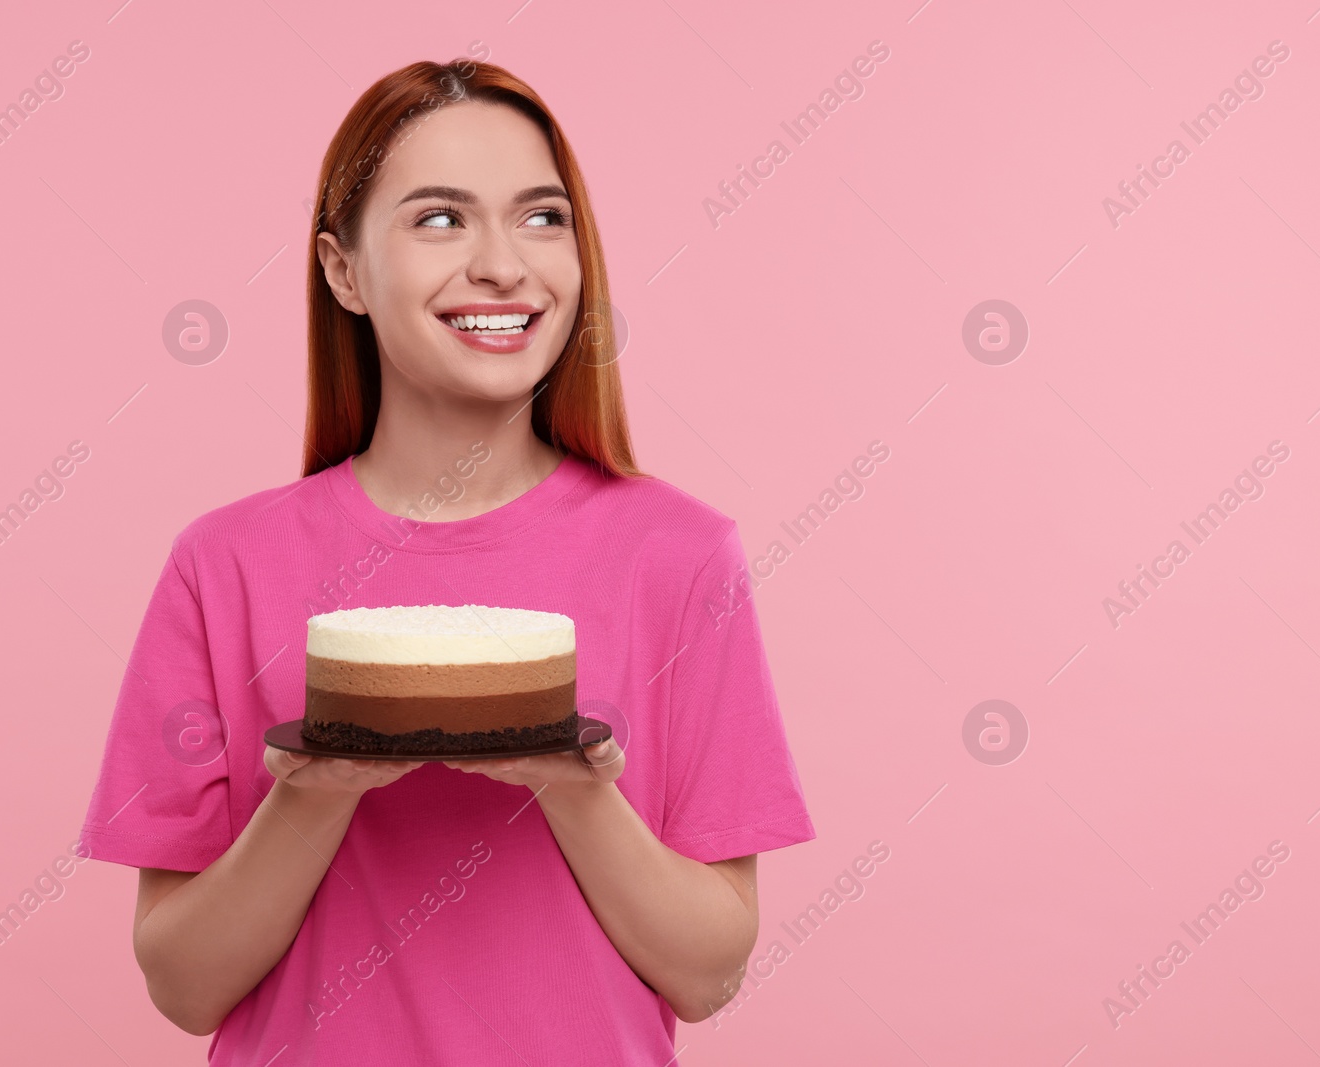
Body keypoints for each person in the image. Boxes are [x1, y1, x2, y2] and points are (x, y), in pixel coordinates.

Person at [77, 58, 815, 1065]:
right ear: (342, 270)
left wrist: (569, 781)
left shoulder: (680, 556)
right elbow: (183, 984)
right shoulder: (225, 564)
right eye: (439, 218)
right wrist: (317, 785)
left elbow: (708, 972)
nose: (505, 265)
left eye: (542, 217)